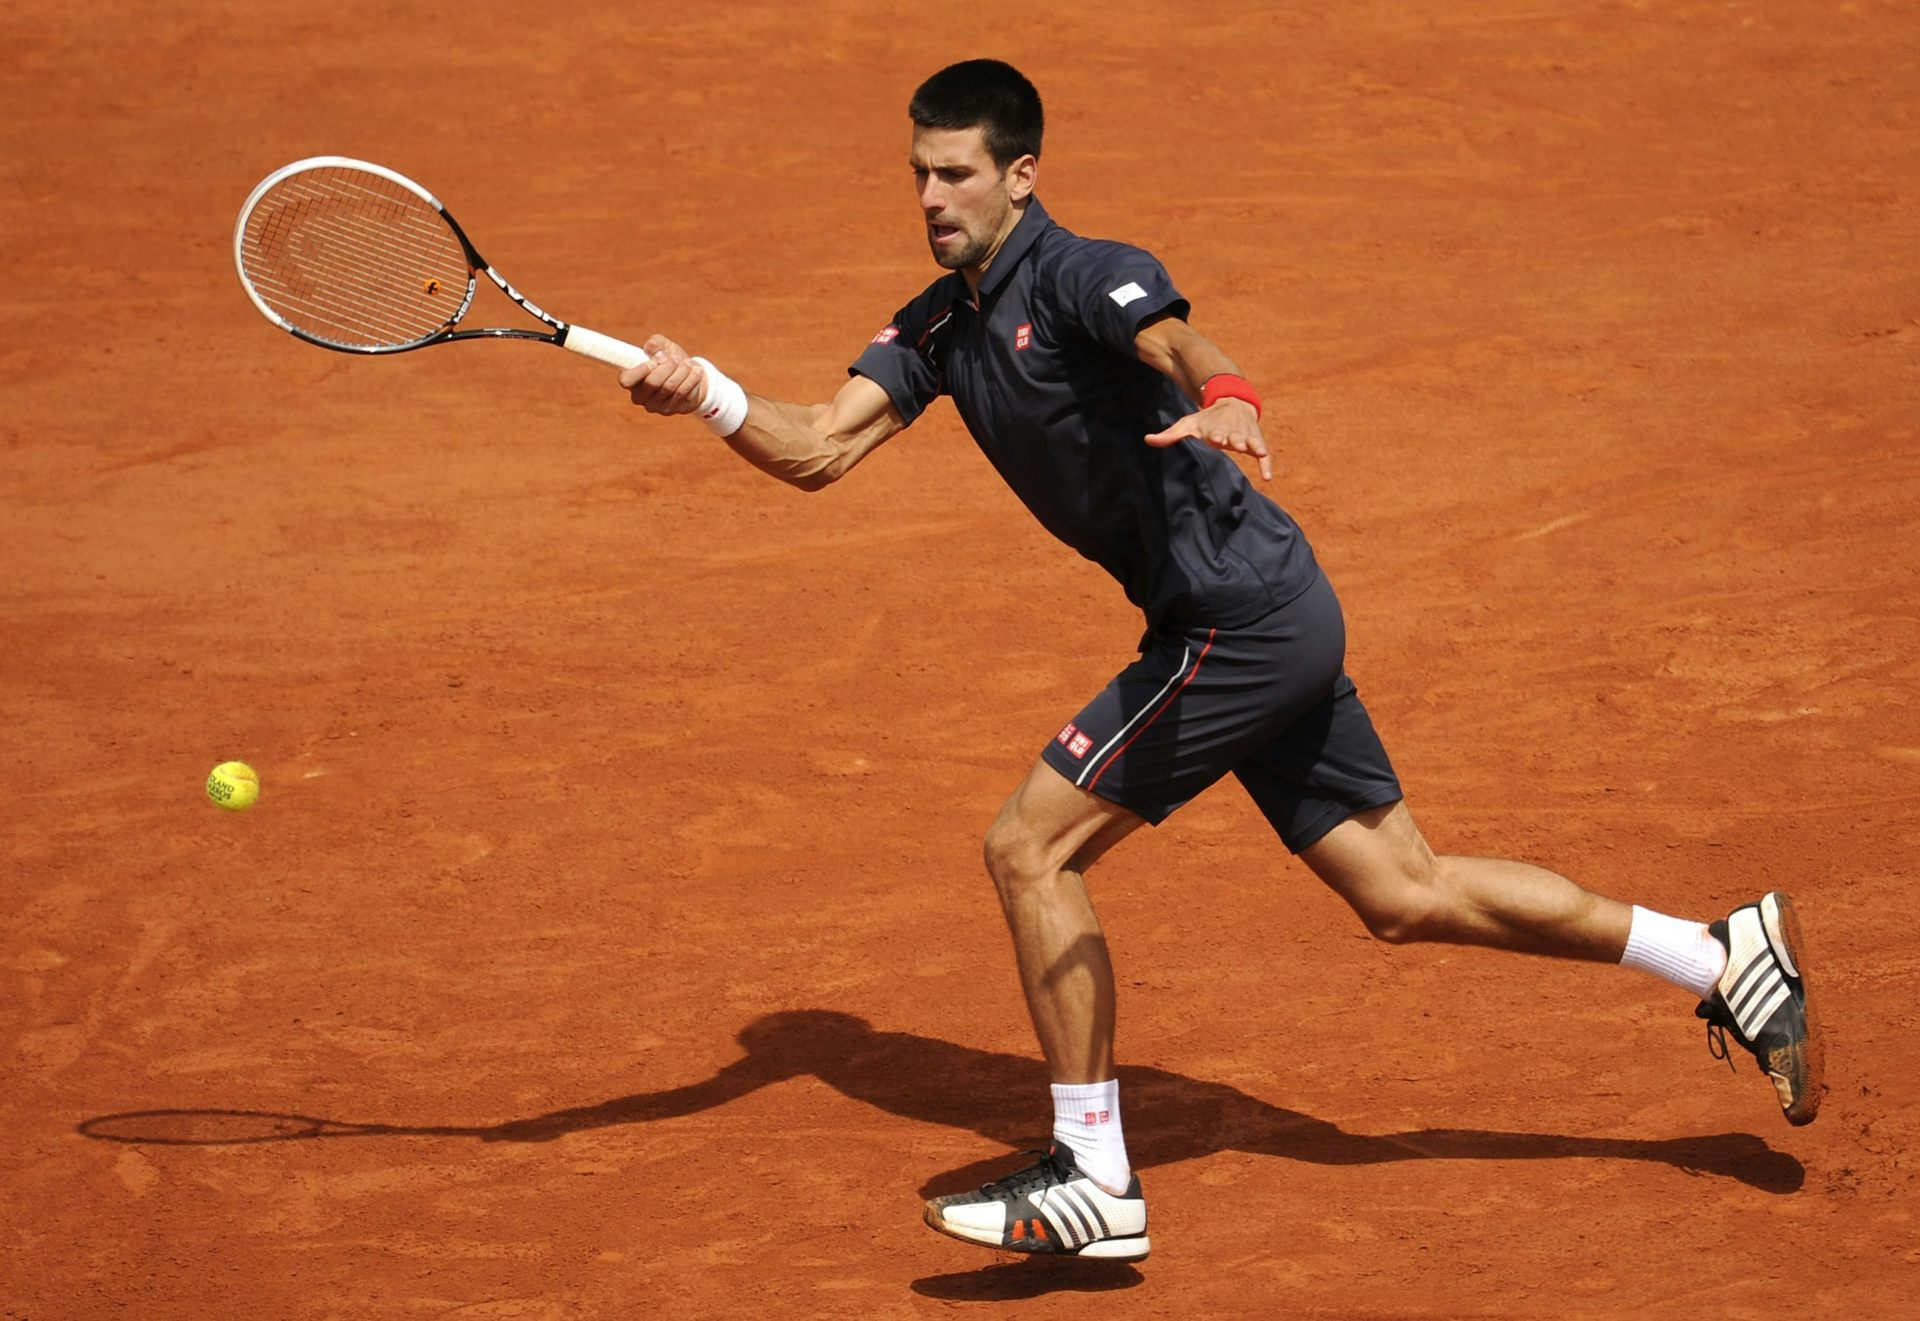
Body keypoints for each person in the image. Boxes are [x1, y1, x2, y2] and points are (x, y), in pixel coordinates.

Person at [619, 59, 1823, 1263]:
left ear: (1020, 175)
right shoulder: (943, 324)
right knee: (1405, 893)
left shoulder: (1077, 271)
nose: (931, 196)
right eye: (918, 174)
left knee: (1028, 848)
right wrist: (710, 393)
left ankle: (1094, 1171)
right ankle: (1718, 955)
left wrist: (1231, 391)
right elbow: (821, 447)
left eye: (956, 173)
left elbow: (1175, 337)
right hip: (1254, 609)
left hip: (1236, 621)